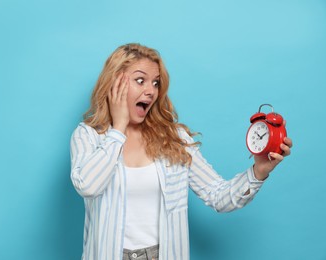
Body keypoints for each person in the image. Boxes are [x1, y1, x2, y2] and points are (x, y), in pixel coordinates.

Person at [70, 43, 292, 260]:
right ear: (114, 84)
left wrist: (258, 172)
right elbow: (88, 186)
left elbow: (218, 196)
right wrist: (118, 130)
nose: (150, 91)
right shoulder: (88, 136)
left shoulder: (173, 138)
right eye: (140, 81)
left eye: (156, 83)